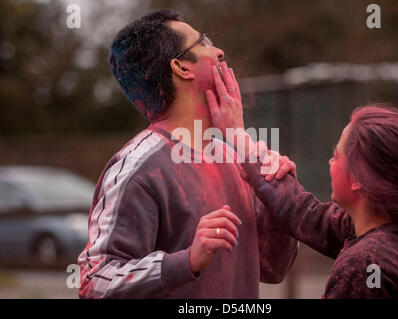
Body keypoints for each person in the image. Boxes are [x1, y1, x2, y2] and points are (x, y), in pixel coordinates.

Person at [77, 9, 298, 299]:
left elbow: (273, 269)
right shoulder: (137, 168)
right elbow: (94, 283)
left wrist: (278, 200)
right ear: (181, 68)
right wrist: (187, 261)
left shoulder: (233, 155)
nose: (219, 51)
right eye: (204, 42)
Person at [205, 68, 398, 298]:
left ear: (358, 178)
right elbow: (309, 215)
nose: (330, 160)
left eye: (337, 155)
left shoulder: (363, 266)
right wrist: (251, 155)